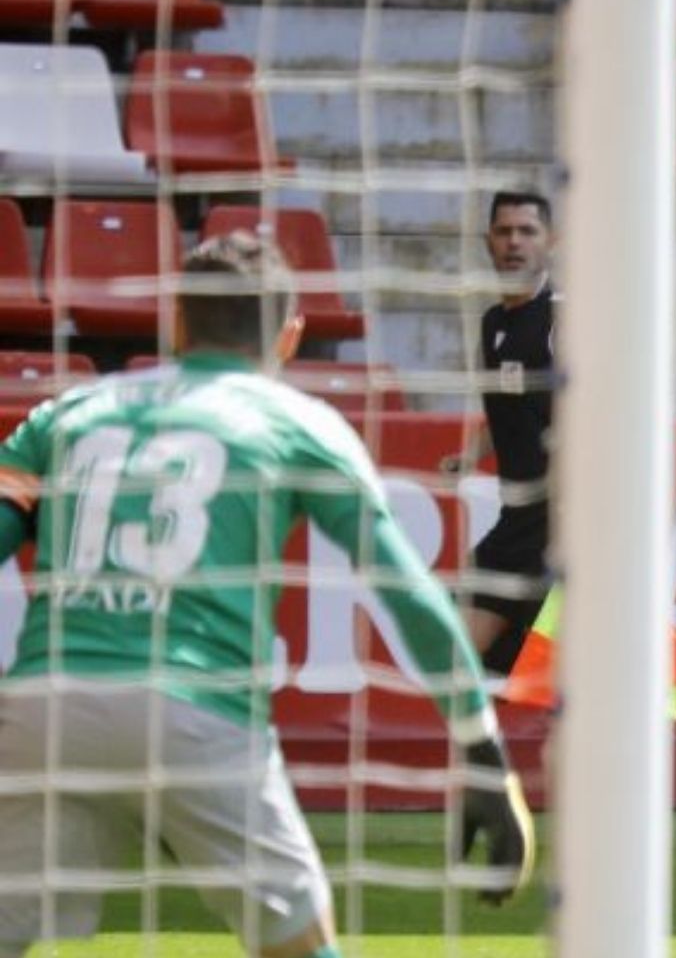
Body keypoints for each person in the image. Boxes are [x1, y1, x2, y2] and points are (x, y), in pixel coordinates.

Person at [0, 231, 535, 958]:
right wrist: (480, 751)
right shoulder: (302, 425)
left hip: (46, 708)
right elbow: (408, 595)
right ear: (291, 336)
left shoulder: (69, 414)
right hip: (197, 711)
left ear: (177, 324)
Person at [443, 191, 557, 674]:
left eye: (527, 231)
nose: (515, 242)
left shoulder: (563, 318)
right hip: (521, 522)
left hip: (560, 523)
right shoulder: (493, 323)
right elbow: (517, 407)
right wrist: (473, 453)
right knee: (470, 660)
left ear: (551, 242)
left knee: (464, 658)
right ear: (487, 241)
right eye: (504, 231)